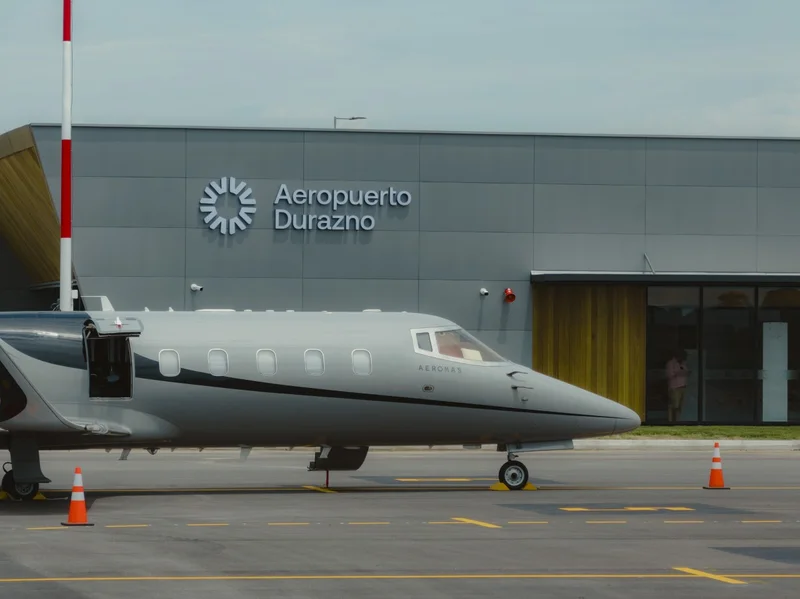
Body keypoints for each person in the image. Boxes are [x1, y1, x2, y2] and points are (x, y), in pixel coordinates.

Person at [665, 349, 689, 422]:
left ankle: (678, 421)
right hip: (675, 387)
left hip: (683, 386)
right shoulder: (671, 363)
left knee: (680, 406)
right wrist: (678, 372)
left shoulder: (683, 364)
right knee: (674, 405)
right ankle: (671, 421)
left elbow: (686, 372)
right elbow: (669, 375)